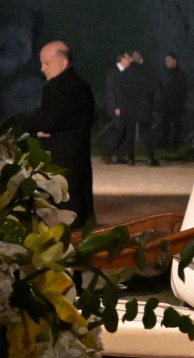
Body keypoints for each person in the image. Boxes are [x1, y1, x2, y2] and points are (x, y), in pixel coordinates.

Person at [21, 40, 95, 227]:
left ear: (63, 62)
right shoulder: (68, 86)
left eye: (47, 63)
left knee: (68, 218)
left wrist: (29, 125)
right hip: (67, 161)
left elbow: (50, 119)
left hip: (65, 163)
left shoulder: (69, 89)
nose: (42, 68)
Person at [116, 49, 156, 166]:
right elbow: (152, 91)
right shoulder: (148, 73)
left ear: (132, 59)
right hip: (144, 106)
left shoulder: (125, 73)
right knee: (146, 133)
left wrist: (122, 105)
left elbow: (120, 92)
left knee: (130, 134)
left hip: (129, 107)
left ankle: (130, 158)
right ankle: (150, 158)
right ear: (141, 60)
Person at [102, 50, 132, 164]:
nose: (130, 60)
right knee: (119, 130)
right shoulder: (113, 74)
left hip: (125, 107)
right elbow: (111, 92)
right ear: (122, 59)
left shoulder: (126, 73)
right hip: (117, 108)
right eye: (128, 58)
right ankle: (106, 153)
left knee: (125, 131)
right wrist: (116, 107)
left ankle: (120, 156)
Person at [157, 52, 188, 150]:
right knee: (165, 124)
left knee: (177, 124)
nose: (167, 62)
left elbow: (184, 89)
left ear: (175, 60)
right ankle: (163, 142)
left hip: (177, 104)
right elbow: (160, 87)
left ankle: (176, 143)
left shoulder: (181, 74)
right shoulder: (164, 74)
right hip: (166, 104)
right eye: (166, 60)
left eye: (169, 60)